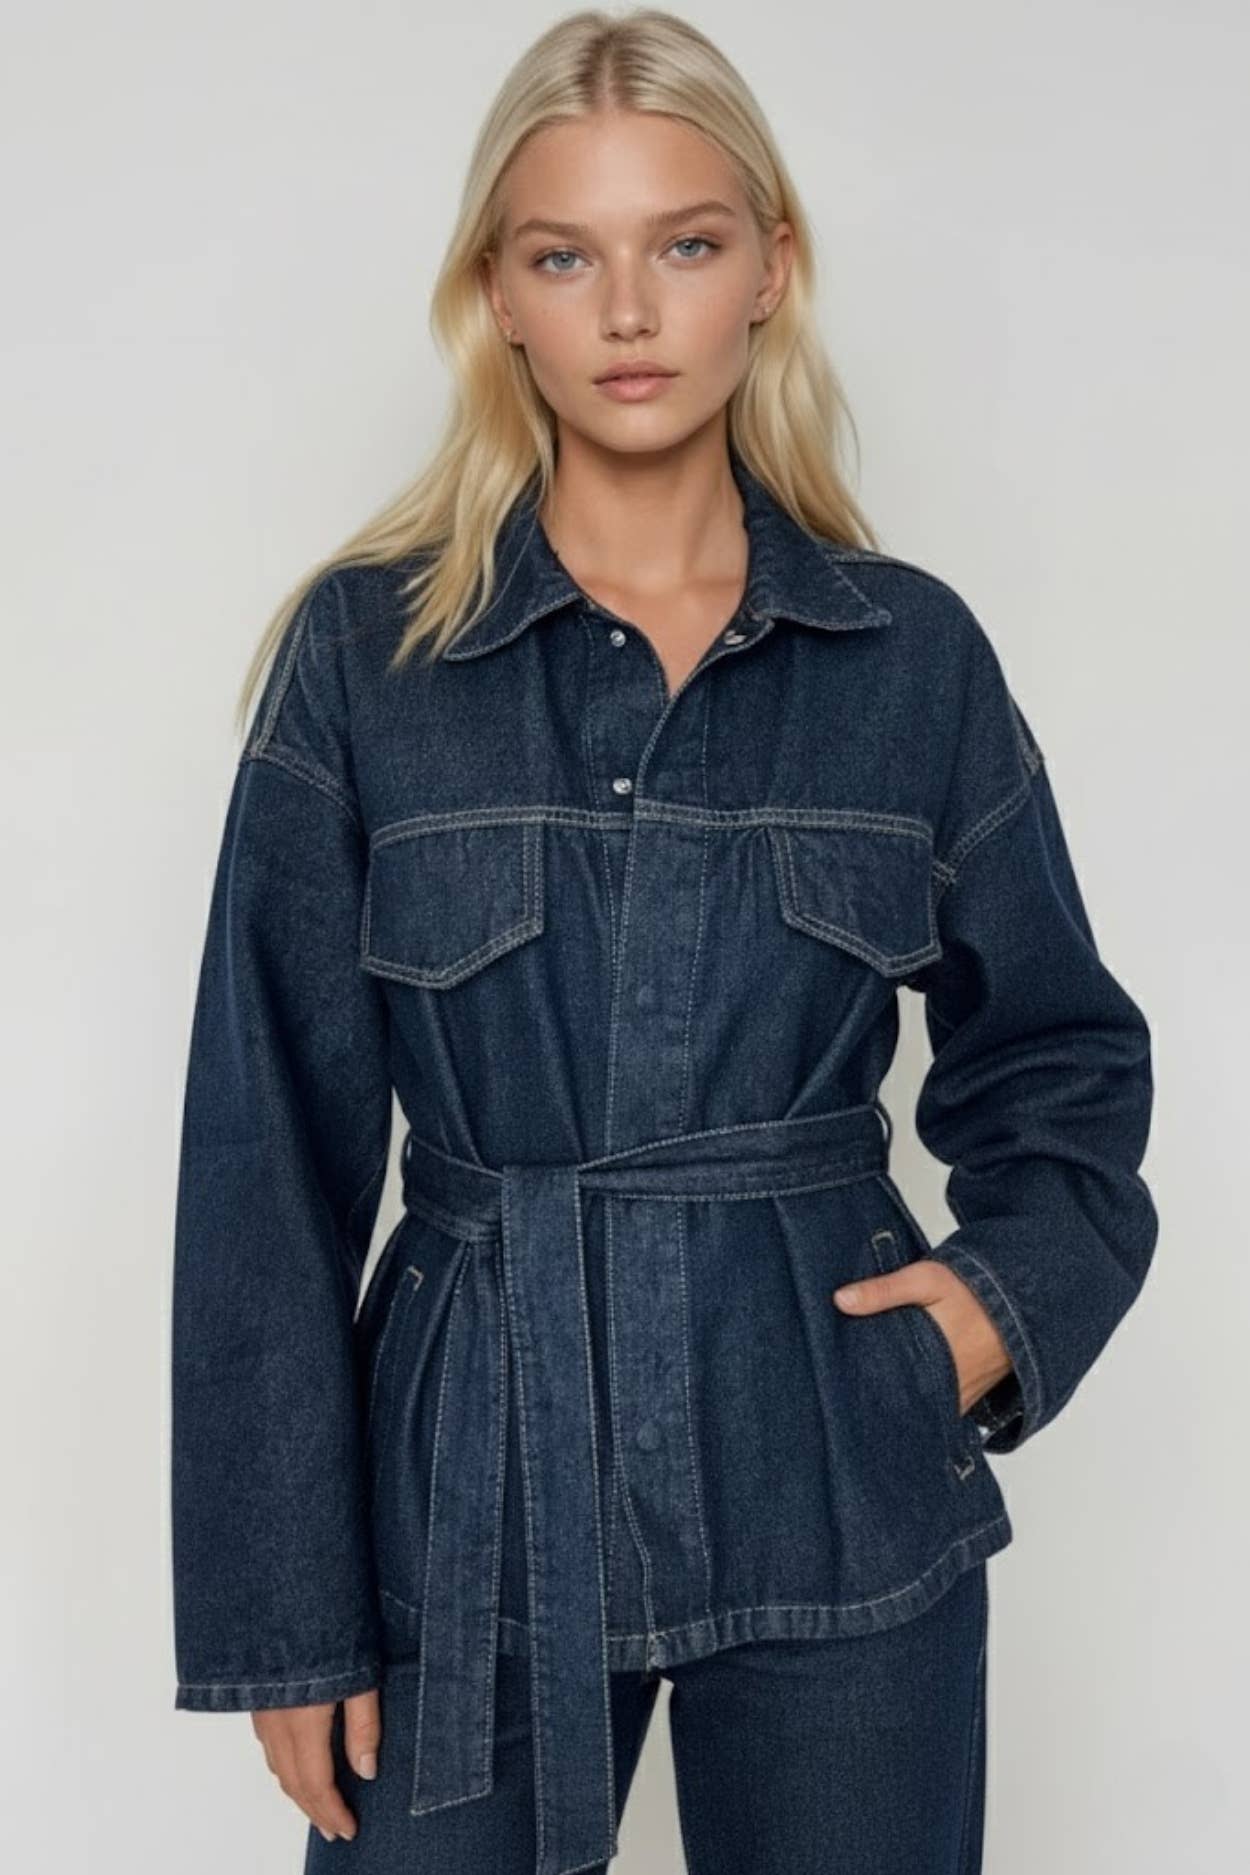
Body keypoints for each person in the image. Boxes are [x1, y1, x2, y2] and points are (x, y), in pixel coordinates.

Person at [169, 10, 1158, 1873]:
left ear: (769, 267)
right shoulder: (365, 662)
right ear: (498, 296)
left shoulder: (908, 661)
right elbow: (265, 1154)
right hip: (468, 1484)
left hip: (833, 1455)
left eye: (684, 244)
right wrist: (281, 1609)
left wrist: (990, 1312)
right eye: (565, 256)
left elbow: (1059, 1055)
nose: (629, 310)